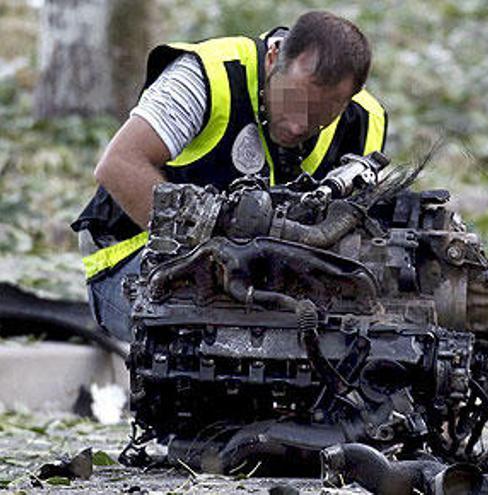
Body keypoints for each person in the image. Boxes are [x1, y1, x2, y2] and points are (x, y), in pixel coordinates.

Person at [71, 11, 387, 342]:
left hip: (272, 276)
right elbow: (118, 165)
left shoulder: (365, 121)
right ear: (274, 57)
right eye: (294, 100)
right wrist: (206, 240)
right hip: (133, 258)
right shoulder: (207, 75)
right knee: (220, 340)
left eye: (322, 114)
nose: (298, 125)